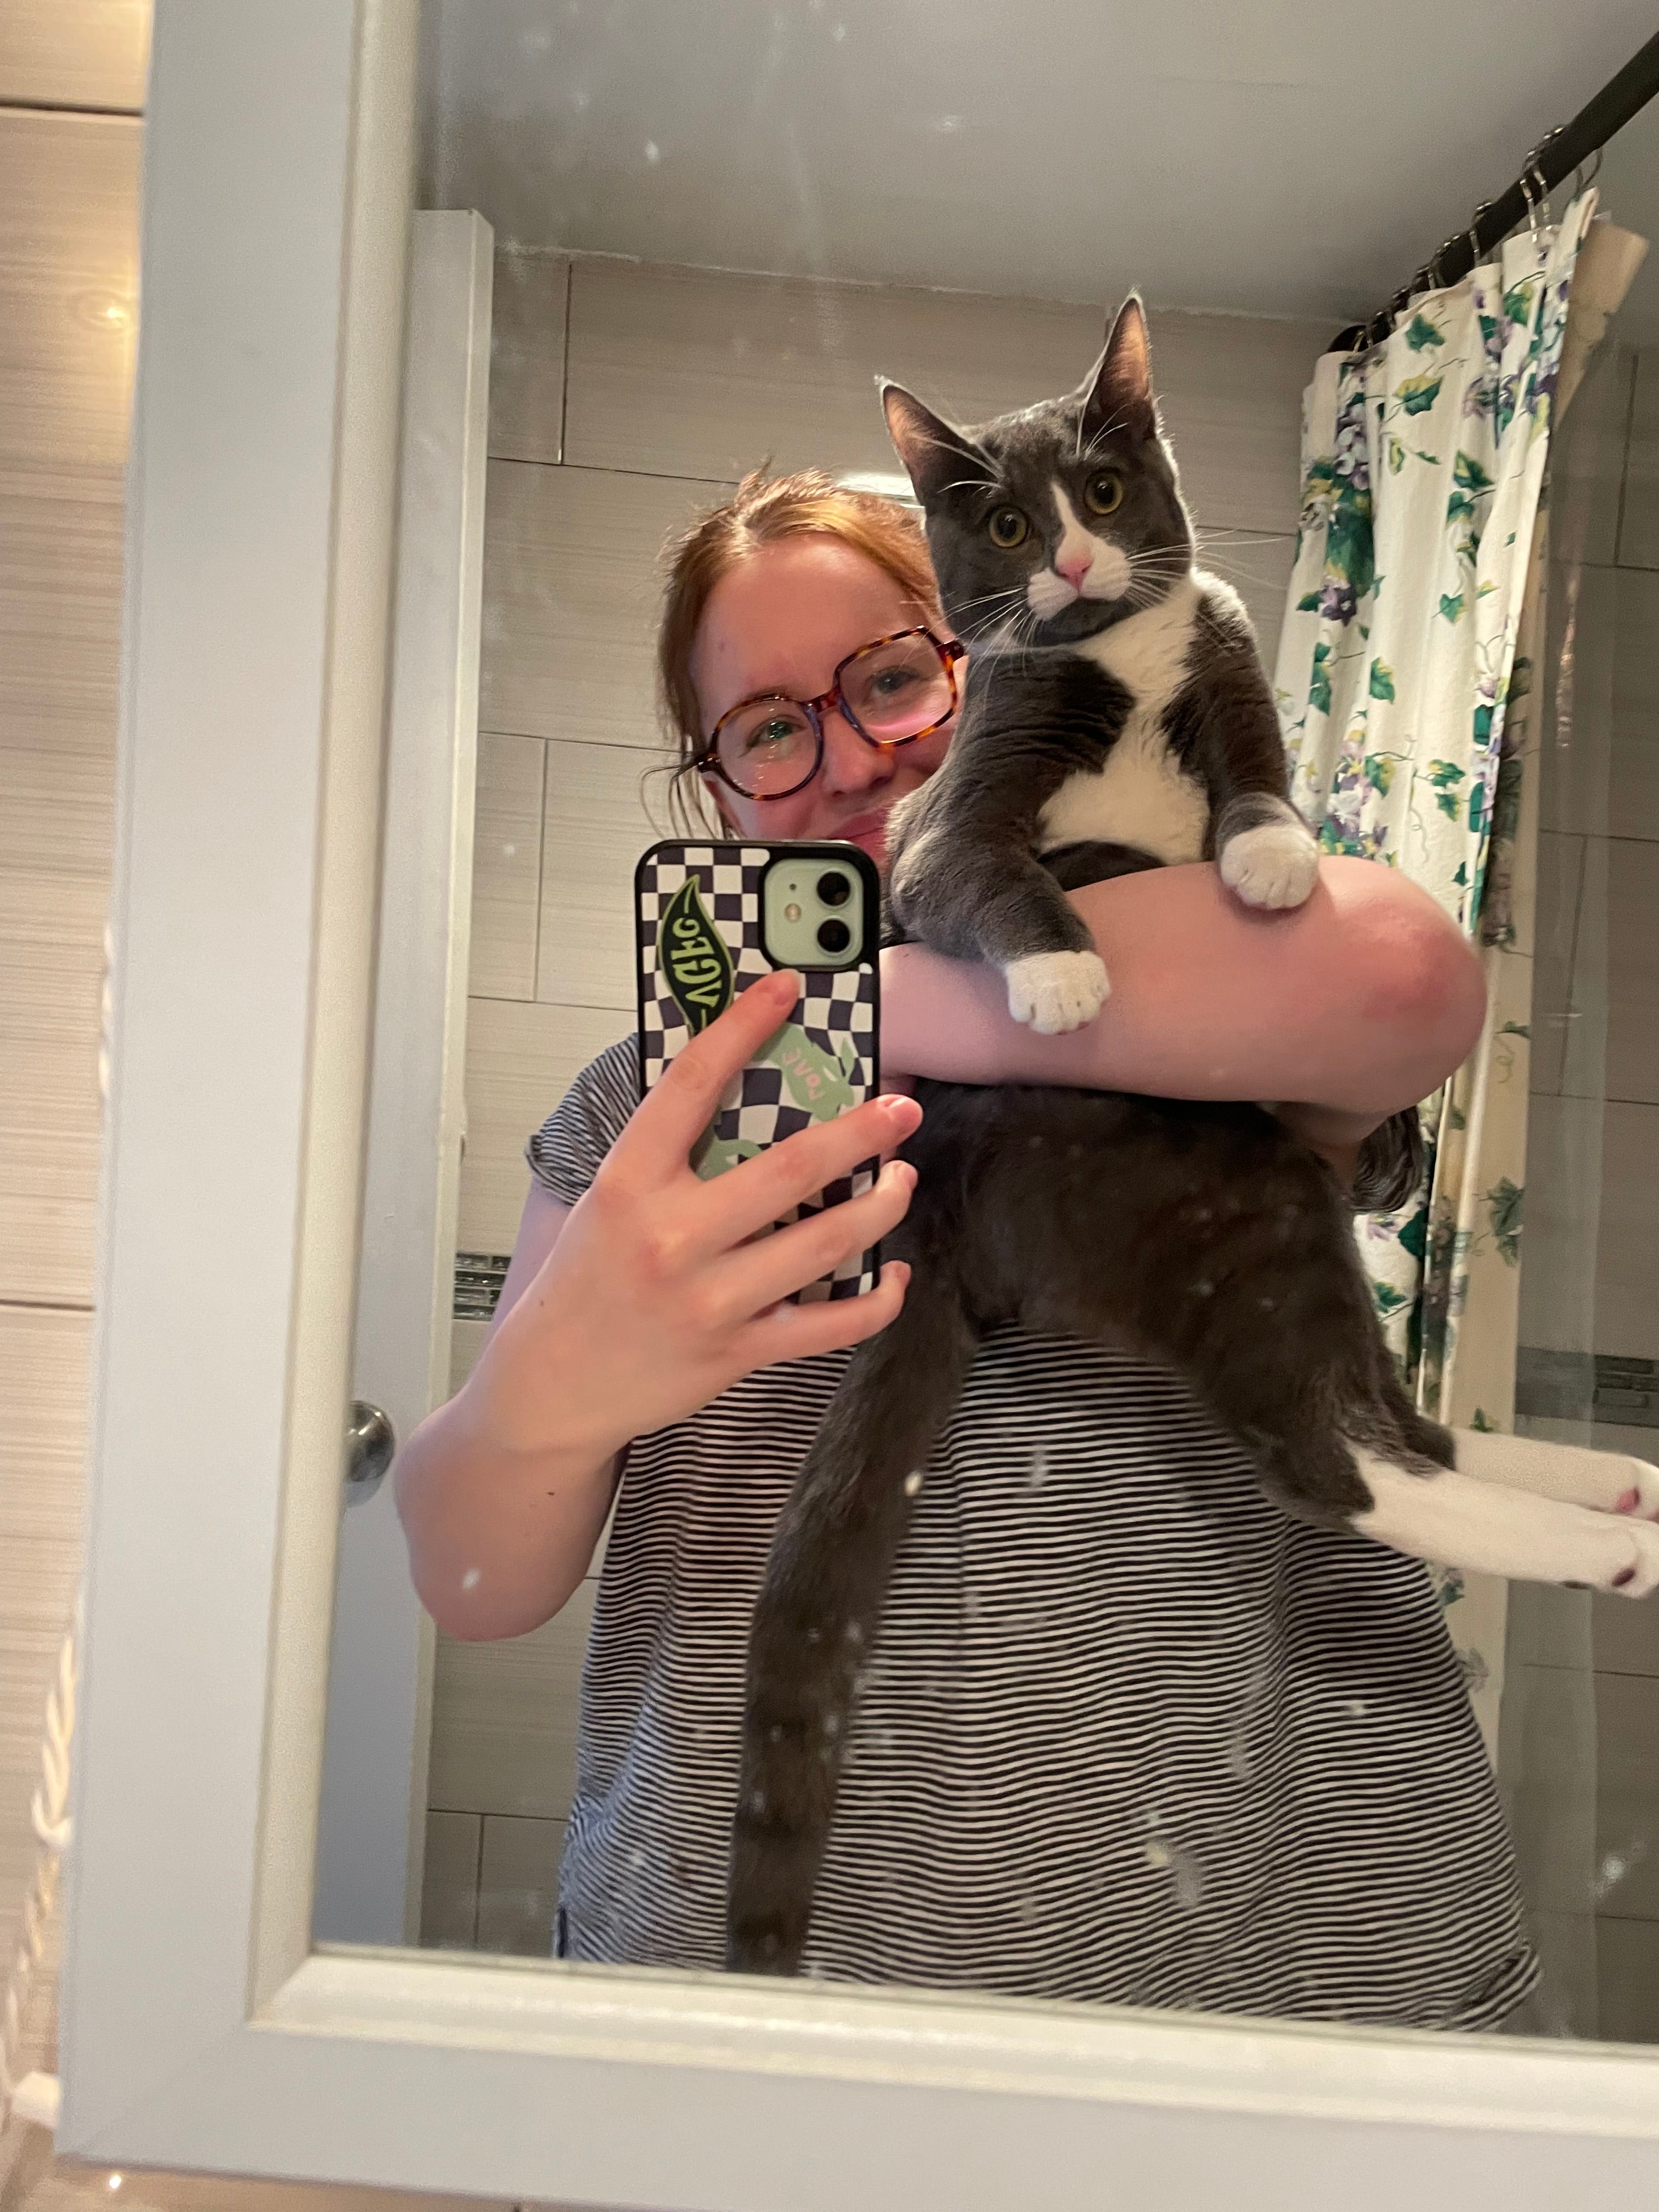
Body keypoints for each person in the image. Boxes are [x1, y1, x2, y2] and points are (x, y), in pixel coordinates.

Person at [395, 470, 1537, 2025]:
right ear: (721, 792)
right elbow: (474, 1582)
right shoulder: (643, 1107)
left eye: (891, 677)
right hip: (754, 1991)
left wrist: (844, 1005)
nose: (854, 758)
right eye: (771, 729)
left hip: (1292, 1970)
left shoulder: (1233, 1024)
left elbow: (1406, 977)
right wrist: (549, 1395)